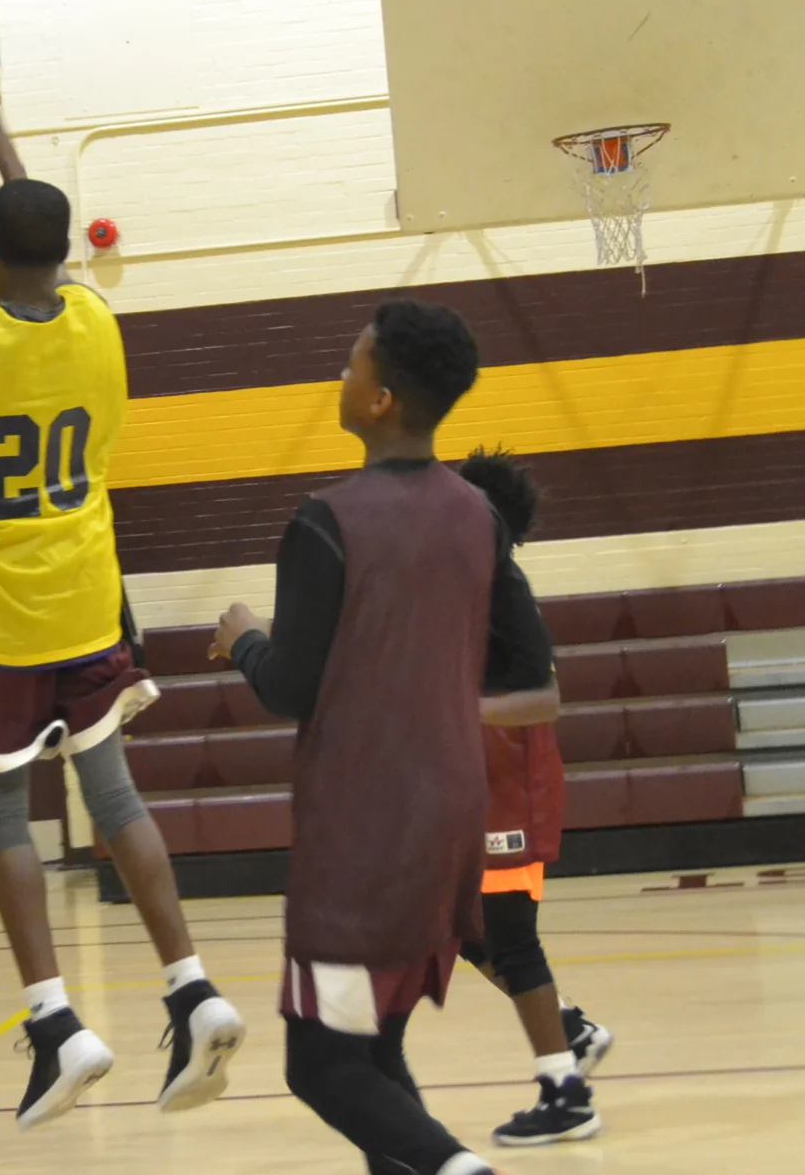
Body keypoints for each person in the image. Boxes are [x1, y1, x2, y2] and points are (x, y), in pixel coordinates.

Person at [0, 101, 246, 1129]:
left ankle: (56, 1023)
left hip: (1, 621)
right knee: (114, 798)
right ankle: (192, 987)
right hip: (87, 606)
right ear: (63, 252)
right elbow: (42, 254)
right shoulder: (97, 322)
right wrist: (7, 159)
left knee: (2, 813)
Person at [208, 300, 554, 1175]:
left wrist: (242, 636)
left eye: (352, 362)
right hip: (453, 820)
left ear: (381, 399)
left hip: (363, 835)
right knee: (374, 1049)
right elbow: (525, 670)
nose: (341, 372)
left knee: (323, 1067)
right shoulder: (478, 516)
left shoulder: (325, 521)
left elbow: (290, 687)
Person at [454, 449, 614, 1147]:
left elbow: (545, 698)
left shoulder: (504, 585)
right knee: (456, 927)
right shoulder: (462, 580)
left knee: (511, 935)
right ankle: (569, 1030)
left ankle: (567, 1097)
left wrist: (456, 714)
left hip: (512, 780)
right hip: (476, 777)